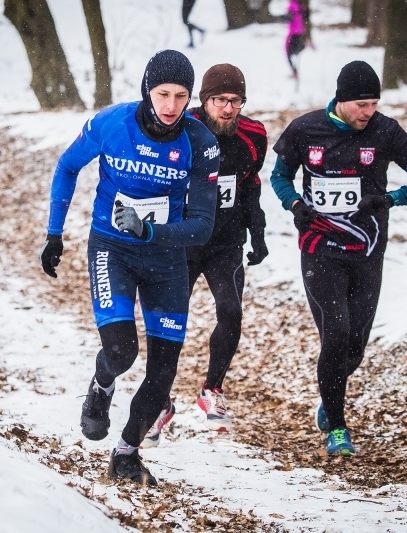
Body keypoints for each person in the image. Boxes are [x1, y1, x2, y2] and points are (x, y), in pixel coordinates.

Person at [39, 50, 219, 486]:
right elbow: (67, 166)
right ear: (147, 90)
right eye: (162, 94)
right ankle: (101, 387)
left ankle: (127, 452)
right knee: (121, 352)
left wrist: (152, 234)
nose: (171, 105)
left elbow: (202, 226)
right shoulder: (111, 124)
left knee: (163, 372)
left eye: (181, 96)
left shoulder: (200, 142)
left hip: (165, 260)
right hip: (111, 250)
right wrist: (54, 233)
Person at [270, 60, 407, 456]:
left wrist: (390, 199)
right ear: (342, 100)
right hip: (319, 251)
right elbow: (279, 176)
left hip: (368, 252)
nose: (369, 112)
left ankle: (328, 395)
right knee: (335, 335)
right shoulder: (305, 129)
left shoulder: (385, 131)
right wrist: (293, 202)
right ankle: (337, 427)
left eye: (374, 103)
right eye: (362, 104)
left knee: (354, 347)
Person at [141, 64, 268, 447]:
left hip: (225, 243)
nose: (228, 109)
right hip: (180, 243)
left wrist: (257, 232)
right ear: (204, 100)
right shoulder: (184, 129)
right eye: (219, 101)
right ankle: (159, 401)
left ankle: (212, 389)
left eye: (236, 101)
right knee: (168, 323)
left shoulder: (254, 135)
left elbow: (249, 185)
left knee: (231, 310)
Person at [285, 0, 309, 80]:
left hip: (293, 32)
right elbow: (306, 16)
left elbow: (289, 17)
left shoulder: (292, 5)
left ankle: (294, 72)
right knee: (293, 51)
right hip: (300, 32)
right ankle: (303, 46)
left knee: (288, 52)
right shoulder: (301, 4)